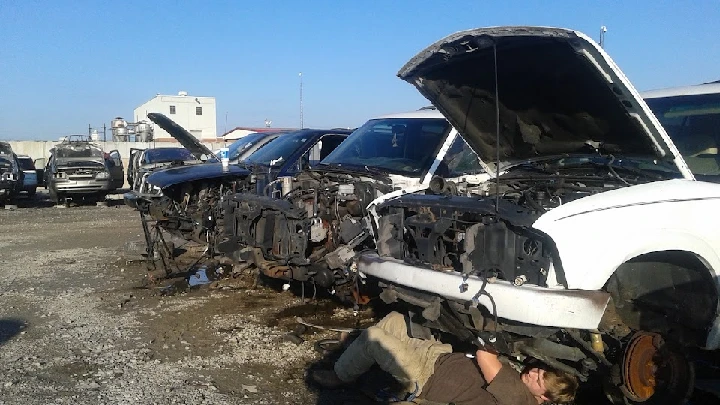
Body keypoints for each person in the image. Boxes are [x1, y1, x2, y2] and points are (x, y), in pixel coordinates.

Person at [311, 311, 578, 405]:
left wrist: (497, 332)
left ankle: (339, 375)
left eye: (540, 379)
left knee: (374, 338)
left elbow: (485, 353)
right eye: (540, 371)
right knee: (394, 321)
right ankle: (359, 357)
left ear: (543, 398)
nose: (533, 373)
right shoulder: (522, 389)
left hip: (424, 377)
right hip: (437, 357)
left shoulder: (519, 397)